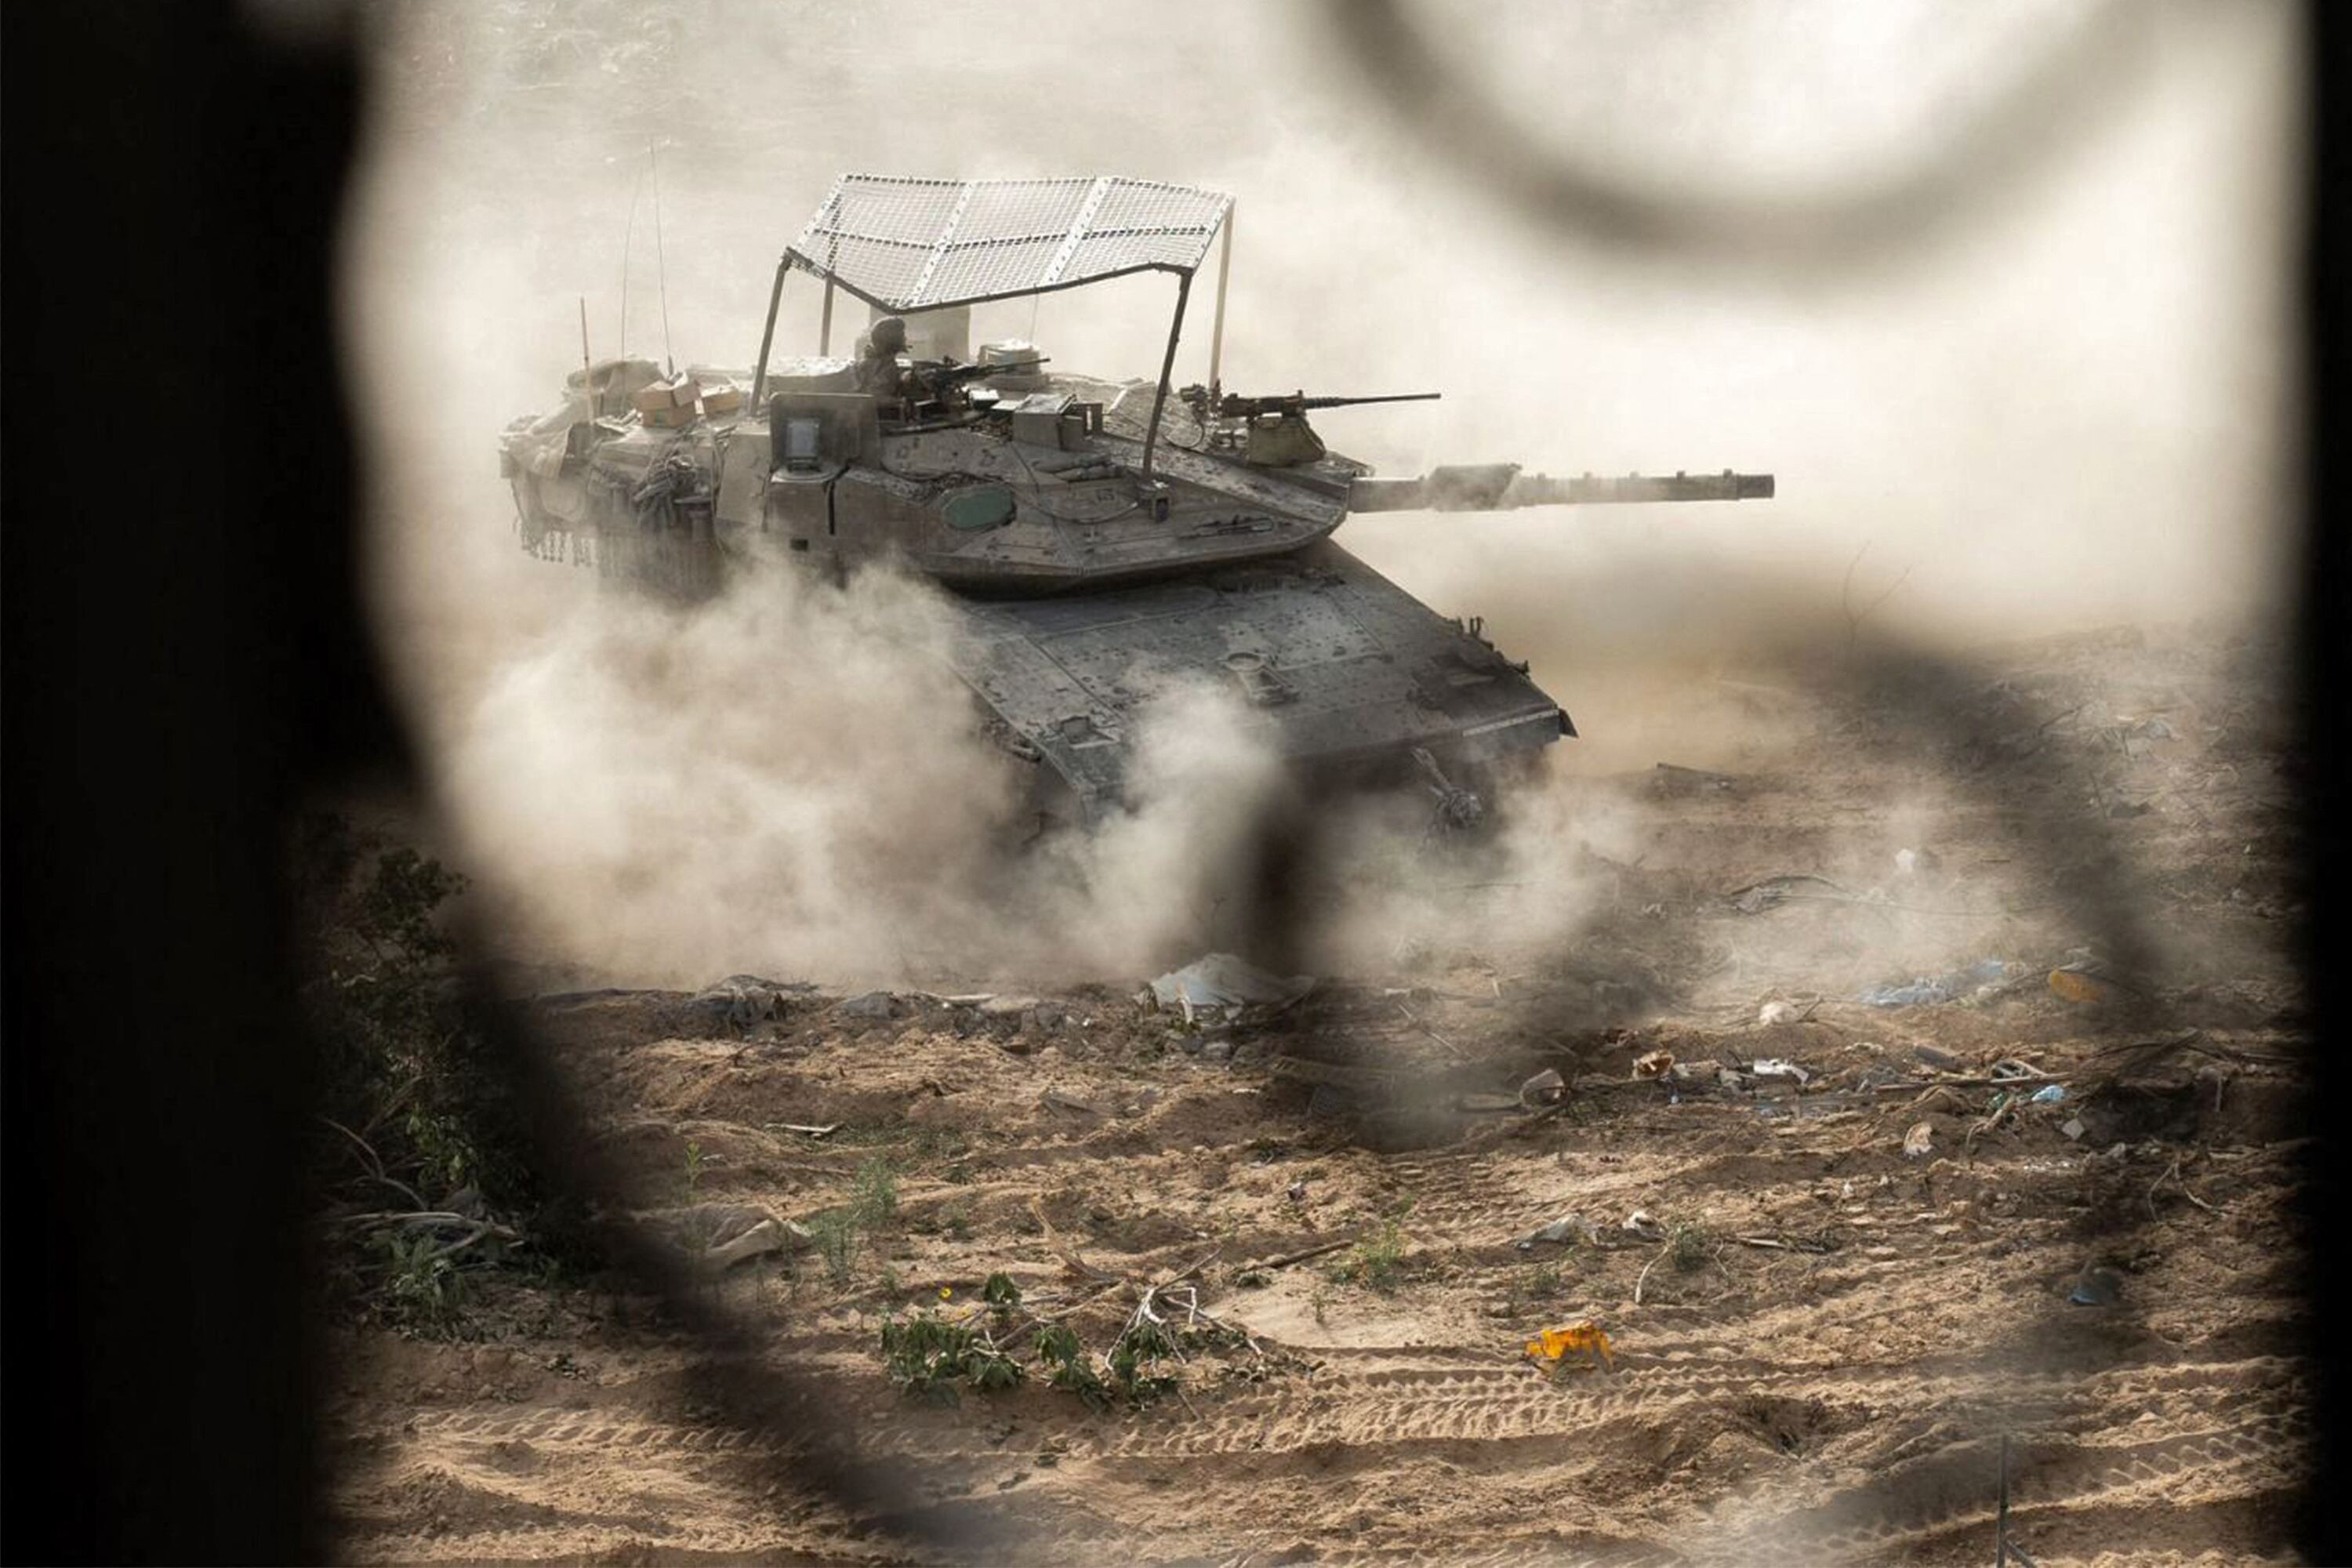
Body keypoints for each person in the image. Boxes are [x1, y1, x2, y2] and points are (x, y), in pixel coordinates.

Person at [855, 314, 909, 398]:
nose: (905, 338)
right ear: (893, 339)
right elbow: (876, 396)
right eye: (902, 335)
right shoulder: (883, 366)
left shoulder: (876, 362)